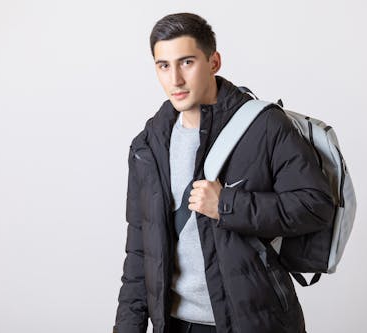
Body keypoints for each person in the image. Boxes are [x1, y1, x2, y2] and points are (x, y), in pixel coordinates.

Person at [113, 12, 336, 333]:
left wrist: (227, 205)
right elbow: (139, 250)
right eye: (163, 66)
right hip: (176, 324)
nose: (175, 79)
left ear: (213, 62)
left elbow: (316, 206)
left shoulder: (264, 126)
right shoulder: (147, 146)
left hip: (256, 321)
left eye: (187, 62)